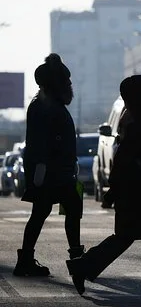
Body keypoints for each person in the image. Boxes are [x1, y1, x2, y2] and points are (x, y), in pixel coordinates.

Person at [66, 75, 141, 298]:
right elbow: (126, 162)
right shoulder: (138, 126)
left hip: (138, 192)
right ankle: (83, 267)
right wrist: (115, 190)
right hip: (139, 194)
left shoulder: (133, 120)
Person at [13, 53, 84, 277]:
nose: (70, 84)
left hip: (58, 171)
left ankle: (26, 259)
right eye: (66, 81)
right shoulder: (43, 106)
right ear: (55, 84)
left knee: (48, 212)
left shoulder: (49, 104)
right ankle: (76, 259)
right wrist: (41, 171)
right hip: (52, 172)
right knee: (68, 208)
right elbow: (41, 142)